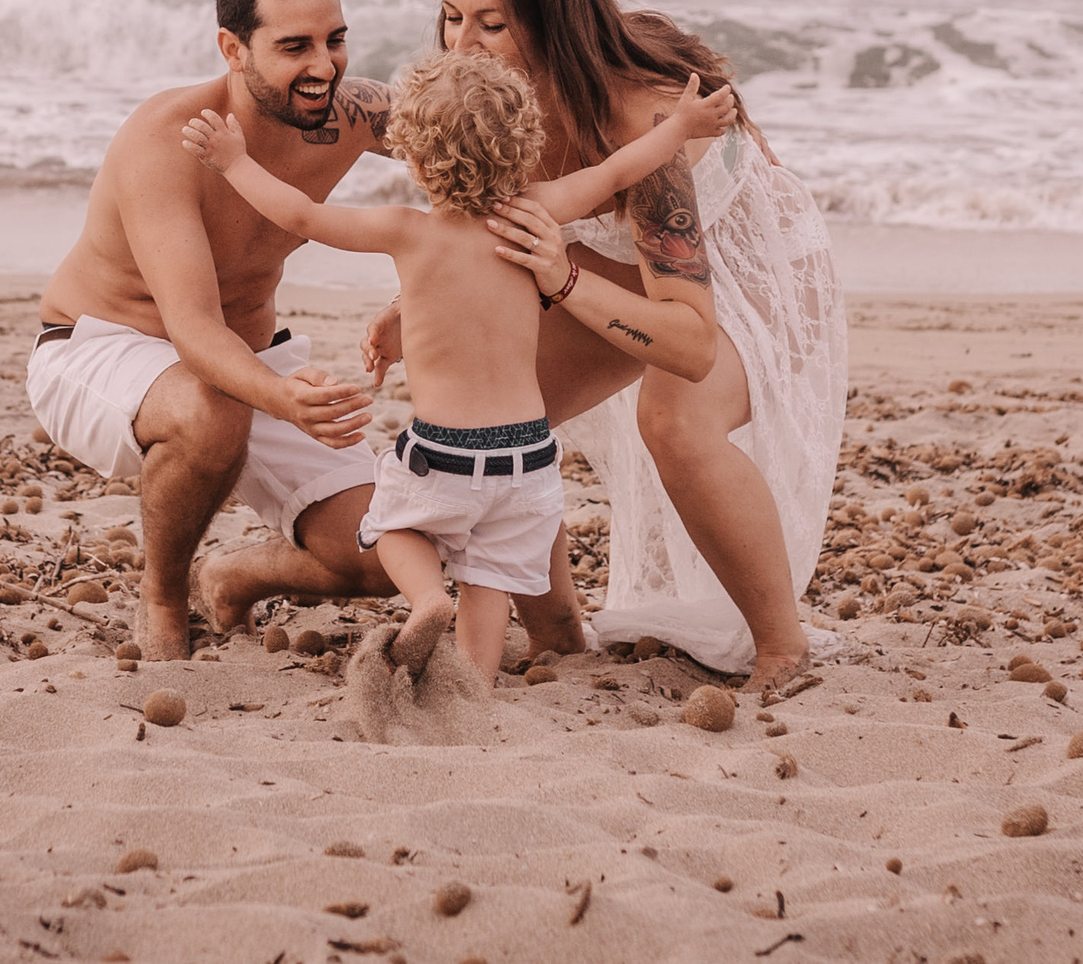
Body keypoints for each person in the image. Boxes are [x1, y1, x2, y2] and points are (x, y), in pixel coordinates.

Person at [365, 0, 848, 687]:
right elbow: (481, 228)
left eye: (493, 23)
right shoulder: (498, 104)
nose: (462, 45)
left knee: (674, 418)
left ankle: (781, 646)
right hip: (607, 254)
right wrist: (406, 310)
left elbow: (691, 344)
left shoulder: (641, 119)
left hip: (753, 266)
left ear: (553, 23)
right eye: (452, 17)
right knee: (506, 404)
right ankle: (557, 630)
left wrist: (566, 281)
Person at [182, 48, 736, 681]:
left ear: (414, 155)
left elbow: (300, 214)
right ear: (525, 143)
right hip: (528, 459)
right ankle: (472, 685)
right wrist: (682, 126)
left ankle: (424, 600)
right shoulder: (535, 210)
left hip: (442, 451)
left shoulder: (406, 231)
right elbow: (616, 172)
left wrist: (234, 160)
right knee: (490, 578)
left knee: (391, 529)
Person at [28, 0, 407, 660]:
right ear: (233, 48)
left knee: (387, 550)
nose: (324, 67)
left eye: (336, 40)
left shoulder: (352, 114)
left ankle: (233, 573)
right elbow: (195, 328)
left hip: (253, 358)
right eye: (294, 46)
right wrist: (283, 397)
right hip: (102, 346)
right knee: (213, 409)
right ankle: (163, 597)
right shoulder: (170, 140)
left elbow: (480, 146)